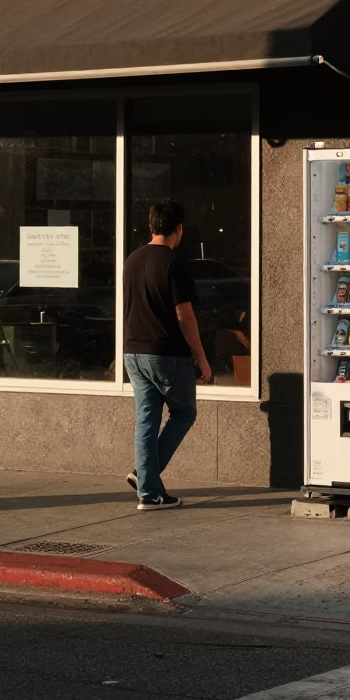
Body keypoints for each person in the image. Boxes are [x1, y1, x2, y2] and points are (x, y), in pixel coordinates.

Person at [123, 199, 211, 510]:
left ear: (151, 226)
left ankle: (148, 490)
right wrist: (201, 357)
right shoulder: (174, 263)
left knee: (146, 421)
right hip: (165, 354)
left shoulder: (132, 260)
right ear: (179, 229)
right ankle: (145, 479)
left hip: (133, 351)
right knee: (184, 414)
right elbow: (184, 316)